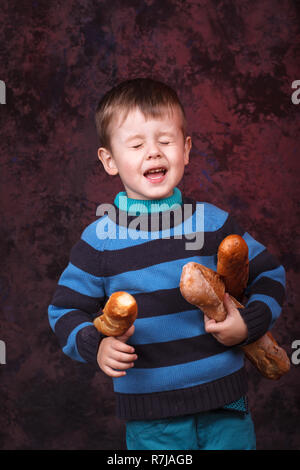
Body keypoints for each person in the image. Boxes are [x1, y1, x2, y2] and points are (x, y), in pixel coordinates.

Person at [48, 78, 286, 450]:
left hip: (226, 406)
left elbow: (269, 275)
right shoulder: (99, 241)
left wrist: (249, 324)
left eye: (166, 140)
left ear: (186, 149)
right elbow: (65, 310)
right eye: (137, 144)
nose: (154, 153)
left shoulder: (212, 223)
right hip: (151, 419)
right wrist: (96, 345)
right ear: (109, 160)